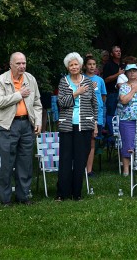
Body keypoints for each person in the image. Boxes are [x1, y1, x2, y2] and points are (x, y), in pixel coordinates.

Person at [0, 52, 42, 206]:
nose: (22, 66)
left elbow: (37, 103)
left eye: (24, 63)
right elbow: (0, 102)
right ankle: (6, 199)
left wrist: (38, 121)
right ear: (11, 64)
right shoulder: (2, 80)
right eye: (18, 63)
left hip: (26, 124)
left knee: (25, 162)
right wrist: (18, 95)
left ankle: (23, 196)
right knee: (7, 163)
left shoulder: (30, 79)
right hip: (7, 125)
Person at [56, 52, 98, 201]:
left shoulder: (88, 82)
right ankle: (62, 193)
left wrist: (95, 124)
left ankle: (77, 193)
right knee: (66, 159)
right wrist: (76, 93)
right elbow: (61, 102)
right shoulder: (63, 82)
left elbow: (94, 104)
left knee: (80, 160)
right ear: (68, 67)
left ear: (80, 66)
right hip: (67, 126)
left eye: (76, 64)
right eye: (71, 65)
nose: (73, 67)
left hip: (85, 126)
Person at [117, 63, 137, 176]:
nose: (132, 73)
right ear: (126, 73)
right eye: (130, 71)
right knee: (128, 143)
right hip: (127, 119)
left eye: (134, 71)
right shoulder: (124, 86)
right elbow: (124, 100)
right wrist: (133, 90)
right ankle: (126, 170)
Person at [83, 56, 106, 177]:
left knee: (92, 142)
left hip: (97, 115)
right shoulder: (81, 79)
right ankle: (80, 167)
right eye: (89, 64)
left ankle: (89, 170)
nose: (92, 66)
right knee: (82, 142)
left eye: (94, 64)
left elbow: (103, 97)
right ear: (85, 66)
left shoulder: (100, 80)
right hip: (84, 114)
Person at [103, 46, 124, 131]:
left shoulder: (123, 65)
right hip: (112, 93)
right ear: (112, 54)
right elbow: (105, 80)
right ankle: (110, 135)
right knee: (111, 114)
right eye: (116, 51)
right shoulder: (108, 65)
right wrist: (118, 74)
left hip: (123, 93)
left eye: (119, 51)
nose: (118, 52)